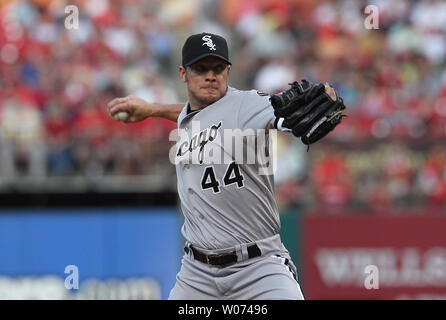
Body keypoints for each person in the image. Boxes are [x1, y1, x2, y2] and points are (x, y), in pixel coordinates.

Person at [107, 32, 339, 300]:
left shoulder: (248, 104)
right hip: (196, 275)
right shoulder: (189, 116)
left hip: (258, 267)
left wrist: (320, 98)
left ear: (228, 71)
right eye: (201, 69)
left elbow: (276, 111)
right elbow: (195, 112)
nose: (210, 76)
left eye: (218, 68)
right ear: (183, 74)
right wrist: (153, 109)